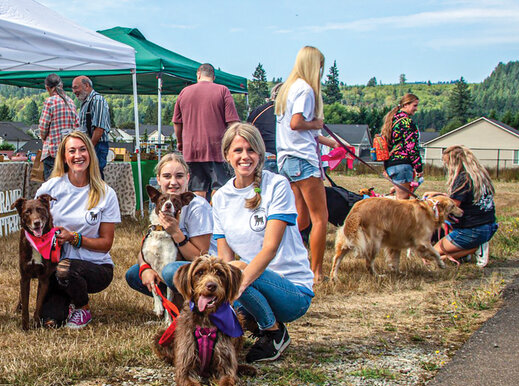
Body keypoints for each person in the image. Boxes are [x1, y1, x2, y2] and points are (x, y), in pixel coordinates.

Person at [213, 122, 314, 362]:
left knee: (235, 270)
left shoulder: (277, 185)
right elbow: (223, 257)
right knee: (223, 272)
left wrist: (234, 287)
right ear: (227, 155)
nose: (245, 156)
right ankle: (255, 323)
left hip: (290, 291)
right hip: (250, 288)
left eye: (251, 150)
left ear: (260, 153)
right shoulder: (220, 197)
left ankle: (274, 332)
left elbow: (269, 249)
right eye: (238, 150)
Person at [35, 131, 120, 329]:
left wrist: (74, 238)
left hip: (95, 266)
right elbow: (33, 227)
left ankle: (83, 308)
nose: (77, 155)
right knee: (49, 321)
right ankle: (67, 301)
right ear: (64, 157)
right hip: (55, 265)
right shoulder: (50, 189)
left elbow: (106, 244)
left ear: (90, 153)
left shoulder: (106, 193)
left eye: (82, 150)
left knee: (66, 269)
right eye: (71, 151)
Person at [274, 46, 339, 284]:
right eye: (320, 66)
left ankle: (285, 261)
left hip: (287, 160)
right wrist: (317, 123)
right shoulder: (306, 89)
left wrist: (322, 138)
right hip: (303, 160)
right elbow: (296, 122)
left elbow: (290, 128)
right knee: (320, 217)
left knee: (299, 219)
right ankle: (316, 272)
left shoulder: (287, 89)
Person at [125, 153, 213, 303]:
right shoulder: (161, 207)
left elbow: (201, 258)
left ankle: (192, 305)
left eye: (179, 176)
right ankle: (173, 306)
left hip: (203, 271)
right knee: (135, 273)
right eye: (167, 176)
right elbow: (146, 251)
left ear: (188, 178)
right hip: (177, 266)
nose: (173, 182)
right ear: (158, 179)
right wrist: (145, 268)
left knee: (170, 271)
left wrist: (175, 232)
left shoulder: (197, 207)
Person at [173, 63, 240, 199]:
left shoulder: (184, 92)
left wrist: (180, 143)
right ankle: (215, 218)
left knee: (197, 190)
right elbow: (233, 122)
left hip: (191, 149)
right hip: (217, 149)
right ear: (213, 76)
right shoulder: (223, 91)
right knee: (220, 188)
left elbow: (177, 123)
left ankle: (199, 218)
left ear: (198, 75)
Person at [431, 145, 497, 264]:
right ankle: (468, 250)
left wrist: (432, 200)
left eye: (446, 163)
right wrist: (438, 194)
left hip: (472, 230)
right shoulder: (479, 176)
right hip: (489, 225)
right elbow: (460, 198)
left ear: (454, 163)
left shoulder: (463, 179)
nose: (446, 167)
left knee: (431, 254)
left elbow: (451, 206)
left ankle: (474, 248)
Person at [381, 93, 423, 200]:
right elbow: (411, 147)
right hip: (403, 165)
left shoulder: (392, 121)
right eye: (414, 105)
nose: (416, 109)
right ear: (406, 105)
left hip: (391, 164)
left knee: (398, 199)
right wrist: (418, 168)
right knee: (402, 203)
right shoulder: (407, 122)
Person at [38, 73, 78, 180]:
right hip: (68, 151)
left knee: (51, 188)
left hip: (53, 151)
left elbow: (43, 127)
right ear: (62, 85)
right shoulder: (71, 101)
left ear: (47, 88)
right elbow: (77, 126)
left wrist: (43, 137)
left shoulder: (50, 102)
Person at [71, 76, 111, 177]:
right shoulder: (85, 102)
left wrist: (89, 148)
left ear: (87, 85)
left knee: (94, 177)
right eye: (73, 88)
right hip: (90, 145)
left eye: (76, 87)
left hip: (97, 145)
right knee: (87, 177)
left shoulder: (97, 100)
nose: (74, 91)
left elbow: (99, 129)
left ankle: (98, 193)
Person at [246, 82, 283, 173]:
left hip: (263, 154)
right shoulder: (288, 111)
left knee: (262, 186)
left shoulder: (258, 111)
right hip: (282, 155)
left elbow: (248, 131)